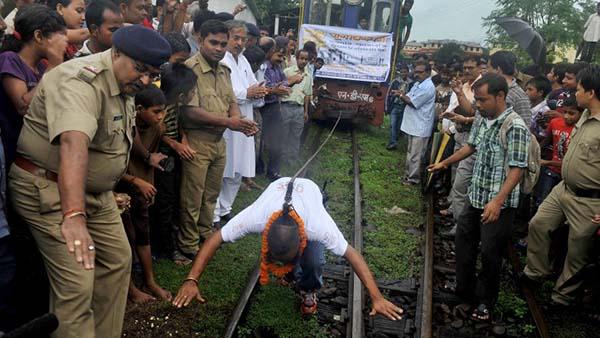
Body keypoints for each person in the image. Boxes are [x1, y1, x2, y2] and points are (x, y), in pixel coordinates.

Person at [7, 25, 171, 338]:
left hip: (93, 194)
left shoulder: (125, 84)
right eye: (141, 69)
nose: (146, 80)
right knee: (77, 280)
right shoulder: (81, 81)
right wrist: (73, 216)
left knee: (117, 260)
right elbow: (73, 143)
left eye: (153, 73)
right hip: (49, 190)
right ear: (117, 52)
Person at [172, 177, 404, 319]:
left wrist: (376, 297)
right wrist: (191, 279)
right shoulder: (256, 217)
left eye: (289, 259)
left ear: (302, 240)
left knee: (314, 261)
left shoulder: (317, 226)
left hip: (310, 191)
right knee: (296, 264)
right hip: (277, 187)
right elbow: (215, 239)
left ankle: (309, 288)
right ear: (265, 236)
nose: (281, 263)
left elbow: (352, 254)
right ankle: (292, 274)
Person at [429, 73, 530, 322]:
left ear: (500, 97)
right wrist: (444, 163)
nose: (478, 105)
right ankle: (464, 290)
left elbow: (518, 168)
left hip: (498, 204)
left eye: (483, 100)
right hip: (476, 197)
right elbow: (470, 147)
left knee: (490, 253)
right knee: (464, 242)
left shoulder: (515, 126)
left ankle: (485, 301)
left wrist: (497, 201)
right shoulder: (483, 119)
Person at [177, 20, 257, 259]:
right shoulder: (189, 69)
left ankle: (204, 235)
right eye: (213, 42)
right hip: (196, 141)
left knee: (211, 194)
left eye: (223, 44)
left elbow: (231, 102)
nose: (219, 48)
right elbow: (189, 111)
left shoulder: (224, 71)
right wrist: (230, 123)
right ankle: (188, 245)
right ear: (200, 40)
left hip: (219, 142)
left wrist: (239, 122)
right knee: (192, 197)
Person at [524, 65, 600, 306]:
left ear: (591, 92)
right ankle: (535, 272)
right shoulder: (585, 115)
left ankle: (562, 297)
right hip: (563, 189)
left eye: (578, 89)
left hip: (589, 200)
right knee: (539, 224)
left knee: (578, 252)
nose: (574, 93)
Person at [117, 85, 172, 303]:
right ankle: (129, 288)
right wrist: (135, 181)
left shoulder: (157, 128)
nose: (161, 117)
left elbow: (150, 161)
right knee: (125, 239)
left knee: (142, 233)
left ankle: (149, 281)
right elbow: (109, 166)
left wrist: (148, 185)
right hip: (119, 187)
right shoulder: (125, 127)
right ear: (139, 109)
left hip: (141, 189)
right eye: (156, 112)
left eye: (163, 111)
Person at [0, 5, 68, 169]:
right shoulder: (10, 60)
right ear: (39, 36)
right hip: (11, 150)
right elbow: (23, 106)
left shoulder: (42, 68)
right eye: (61, 35)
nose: (66, 41)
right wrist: (53, 67)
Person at [213, 20, 267, 226]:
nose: (239, 43)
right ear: (226, 37)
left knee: (239, 168)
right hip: (228, 121)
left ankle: (226, 208)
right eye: (236, 38)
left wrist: (261, 90)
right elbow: (224, 92)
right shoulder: (222, 60)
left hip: (246, 119)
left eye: (243, 39)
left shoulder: (242, 60)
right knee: (224, 168)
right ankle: (214, 214)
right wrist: (247, 93)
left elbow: (253, 85)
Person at [153, 64, 197, 265]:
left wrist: (184, 138)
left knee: (173, 197)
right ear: (181, 96)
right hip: (162, 155)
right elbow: (156, 133)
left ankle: (170, 241)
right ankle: (165, 249)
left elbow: (177, 124)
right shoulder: (160, 107)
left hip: (173, 150)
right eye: (192, 91)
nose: (194, 93)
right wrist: (174, 144)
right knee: (165, 201)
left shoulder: (174, 104)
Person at [439, 56, 483, 231]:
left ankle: (461, 223)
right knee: (455, 172)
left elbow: (476, 113)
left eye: (470, 67)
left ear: (480, 68)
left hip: (471, 136)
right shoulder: (463, 85)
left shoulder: (481, 87)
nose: (466, 71)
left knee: (463, 181)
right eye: (465, 67)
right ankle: (453, 207)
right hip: (459, 132)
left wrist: (464, 119)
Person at [535, 95, 582, 207]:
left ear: (581, 114)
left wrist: (547, 162)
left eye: (571, 113)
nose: (566, 116)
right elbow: (547, 141)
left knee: (563, 204)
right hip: (552, 170)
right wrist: (535, 152)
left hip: (568, 174)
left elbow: (572, 161)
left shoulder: (581, 130)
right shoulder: (555, 122)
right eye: (564, 112)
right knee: (542, 200)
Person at [258, 37, 292, 181]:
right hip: (262, 108)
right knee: (259, 142)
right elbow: (268, 88)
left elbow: (283, 83)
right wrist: (278, 88)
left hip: (273, 107)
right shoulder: (263, 67)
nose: (281, 59)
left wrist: (281, 86)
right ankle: (256, 169)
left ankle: (273, 171)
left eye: (283, 56)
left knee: (277, 139)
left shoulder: (278, 68)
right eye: (279, 55)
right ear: (270, 53)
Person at [399, 62, 436, 185]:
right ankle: (407, 175)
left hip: (420, 126)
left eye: (420, 72)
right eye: (416, 72)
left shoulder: (428, 87)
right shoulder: (417, 84)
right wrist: (403, 96)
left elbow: (412, 102)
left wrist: (400, 95)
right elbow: (408, 97)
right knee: (410, 152)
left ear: (428, 73)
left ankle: (414, 179)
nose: (417, 74)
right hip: (413, 124)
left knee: (416, 155)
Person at [281, 49, 312, 162]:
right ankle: (282, 157)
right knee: (283, 133)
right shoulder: (287, 72)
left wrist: (305, 111)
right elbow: (280, 89)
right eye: (301, 58)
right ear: (297, 59)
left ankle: (292, 158)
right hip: (286, 106)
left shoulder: (308, 76)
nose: (303, 61)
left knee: (296, 134)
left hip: (299, 109)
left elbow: (307, 95)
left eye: (306, 59)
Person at [488, 51, 532, 127]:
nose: (486, 71)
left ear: (498, 69)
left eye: (488, 67)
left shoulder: (519, 96)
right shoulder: (488, 89)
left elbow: (525, 127)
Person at [385, 63, 412, 150]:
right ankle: (393, 142)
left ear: (408, 72)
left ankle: (395, 139)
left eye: (405, 72)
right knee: (393, 124)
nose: (403, 74)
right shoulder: (395, 81)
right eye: (402, 72)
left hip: (405, 108)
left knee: (399, 126)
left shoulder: (411, 83)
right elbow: (388, 94)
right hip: (395, 106)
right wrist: (386, 107)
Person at [526, 76, 552, 143]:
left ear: (540, 93)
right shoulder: (527, 105)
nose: (526, 92)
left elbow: (543, 137)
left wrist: (525, 131)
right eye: (526, 89)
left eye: (530, 89)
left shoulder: (545, 111)